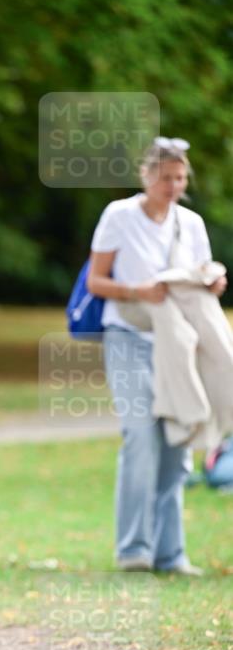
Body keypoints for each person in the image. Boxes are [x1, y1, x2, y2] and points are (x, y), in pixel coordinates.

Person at [87, 137, 228, 575]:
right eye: (166, 177)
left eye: (180, 177)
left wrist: (212, 285)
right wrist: (137, 291)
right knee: (141, 437)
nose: (174, 185)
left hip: (178, 344)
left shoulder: (191, 223)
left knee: (177, 441)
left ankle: (171, 554)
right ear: (147, 176)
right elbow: (96, 281)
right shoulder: (120, 216)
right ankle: (133, 549)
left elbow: (199, 277)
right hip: (129, 336)